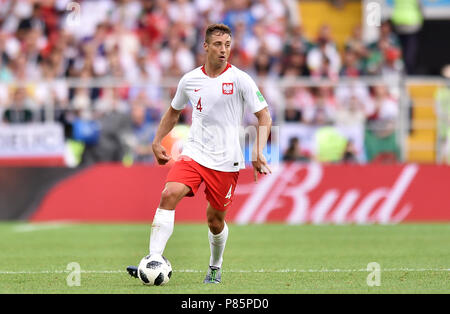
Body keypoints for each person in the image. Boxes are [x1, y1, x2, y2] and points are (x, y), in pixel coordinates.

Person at [127, 24, 272, 284]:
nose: (223, 50)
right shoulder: (190, 79)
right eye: (218, 44)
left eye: (227, 45)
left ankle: (215, 266)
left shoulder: (240, 79)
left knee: (215, 222)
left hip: (227, 160)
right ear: (205, 46)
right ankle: (153, 258)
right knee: (169, 193)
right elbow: (173, 112)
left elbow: (264, 116)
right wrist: (157, 140)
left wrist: (258, 150)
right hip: (194, 152)